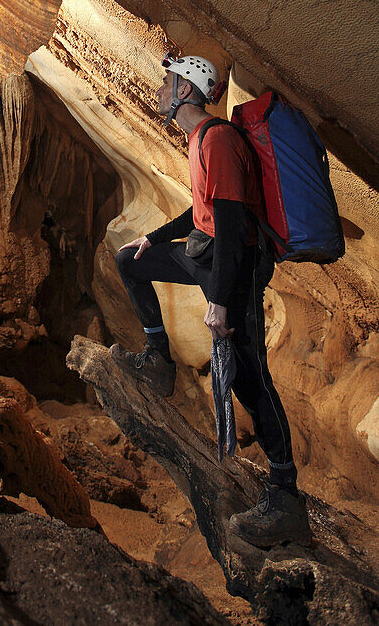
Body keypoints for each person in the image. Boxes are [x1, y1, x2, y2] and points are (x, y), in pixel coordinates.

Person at [111, 55, 310, 548]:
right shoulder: (200, 141)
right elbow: (200, 212)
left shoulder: (218, 141)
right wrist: (152, 240)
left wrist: (220, 303)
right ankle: (159, 360)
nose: (160, 88)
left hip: (233, 273)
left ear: (185, 89)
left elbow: (231, 225)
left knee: (248, 378)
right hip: (204, 256)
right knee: (128, 261)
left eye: (167, 81)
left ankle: (286, 497)